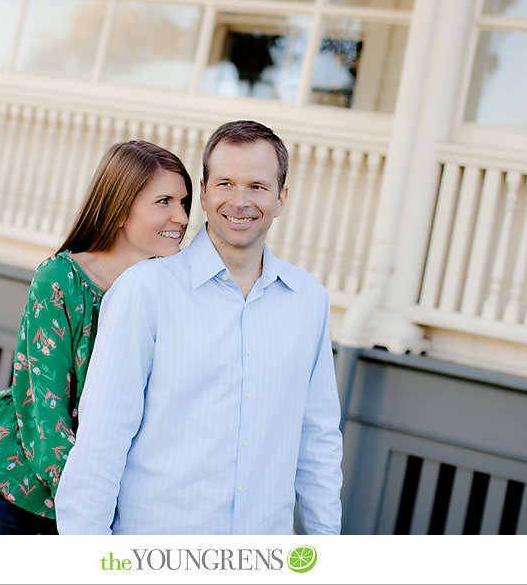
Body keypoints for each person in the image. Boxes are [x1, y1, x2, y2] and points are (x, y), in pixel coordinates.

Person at [55, 120, 343, 534]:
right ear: (204, 193)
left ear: (281, 198)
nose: (239, 201)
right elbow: (102, 439)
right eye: (225, 183)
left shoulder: (308, 300)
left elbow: (318, 440)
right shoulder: (145, 291)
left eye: (257, 187)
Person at [0, 140, 192, 534]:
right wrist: (93, 510)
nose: (180, 217)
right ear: (121, 208)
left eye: (184, 202)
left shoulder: (168, 295)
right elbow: (45, 412)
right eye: (164, 201)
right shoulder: (59, 280)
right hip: (8, 489)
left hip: (88, 503)